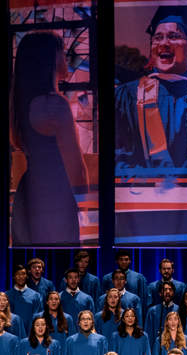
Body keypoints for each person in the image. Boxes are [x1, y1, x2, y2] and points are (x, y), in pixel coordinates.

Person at [10, 31, 89, 246]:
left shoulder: (19, 105)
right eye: (62, 52)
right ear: (50, 59)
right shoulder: (54, 106)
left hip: (28, 195)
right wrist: (84, 203)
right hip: (56, 198)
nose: (67, 58)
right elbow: (75, 167)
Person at [115, 5, 187, 169]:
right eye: (157, 38)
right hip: (142, 191)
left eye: (174, 36)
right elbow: (119, 158)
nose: (164, 43)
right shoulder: (127, 95)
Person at [102, 251, 148, 315]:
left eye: (126, 259)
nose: (123, 262)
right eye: (121, 259)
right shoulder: (107, 278)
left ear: (130, 261)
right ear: (117, 261)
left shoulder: (138, 278)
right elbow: (103, 299)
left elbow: (142, 300)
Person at [5, 264, 42, 330]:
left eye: (23, 274)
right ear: (13, 277)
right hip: (12, 333)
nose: (21, 277)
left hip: (30, 334)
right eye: (18, 274)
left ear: (27, 276)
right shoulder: (6, 295)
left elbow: (38, 317)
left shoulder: (35, 295)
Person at [145, 281, 179, 348]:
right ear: (160, 293)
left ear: (173, 293)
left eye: (170, 289)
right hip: (156, 349)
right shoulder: (152, 311)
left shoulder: (179, 310)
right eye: (165, 289)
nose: (168, 292)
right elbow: (148, 334)